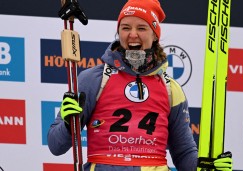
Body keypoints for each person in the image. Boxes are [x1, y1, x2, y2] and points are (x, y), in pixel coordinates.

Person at [47, 0, 233, 170]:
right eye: (126, 27)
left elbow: (184, 153)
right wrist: (68, 124)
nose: (133, 34)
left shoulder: (170, 88)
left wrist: (207, 166)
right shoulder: (94, 79)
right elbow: (56, 145)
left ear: (154, 35)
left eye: (142, 28)